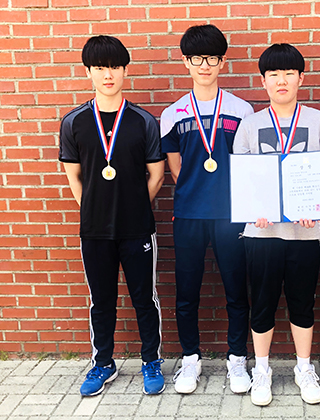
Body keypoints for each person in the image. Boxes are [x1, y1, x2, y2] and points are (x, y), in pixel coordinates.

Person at [233, 43, 320, 406]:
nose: (281, 81)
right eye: (273, 74)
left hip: (304, 232)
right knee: (262, 302)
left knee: (302, 302)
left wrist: (316, 206)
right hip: (261, 231)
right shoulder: (250, 124)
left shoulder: (318, 120)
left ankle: (303, 368)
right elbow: (242, 177)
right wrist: (254, 208)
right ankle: (262, 369)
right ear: (263, 81)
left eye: (289, 73)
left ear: (301, 78)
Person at [59, 35, 165, 396]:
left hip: (137, 229)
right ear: (88, 71)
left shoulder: (143, 121)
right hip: (94, 231)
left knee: (144, 298)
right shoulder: (73, 122)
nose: (108, 74)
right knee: (101, 301)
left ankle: (151, 360)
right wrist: (94, 208)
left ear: (125, 71)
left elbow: (157, 175)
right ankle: (103, 363)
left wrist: (133, 206)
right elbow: (74, 177)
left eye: (115, 67)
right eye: (100, 67)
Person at [160, 24, 253, 395]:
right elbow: (176, 169)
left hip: (231, 215)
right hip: (189, 214)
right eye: (197, 58)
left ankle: (237, 359)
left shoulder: (241, 110)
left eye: (212, 58)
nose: (204, 65)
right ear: (186, 62)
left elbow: (246, 164)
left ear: (222, 62)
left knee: (236, 290)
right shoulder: (172, 114)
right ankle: (190, 359)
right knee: (187, 292)